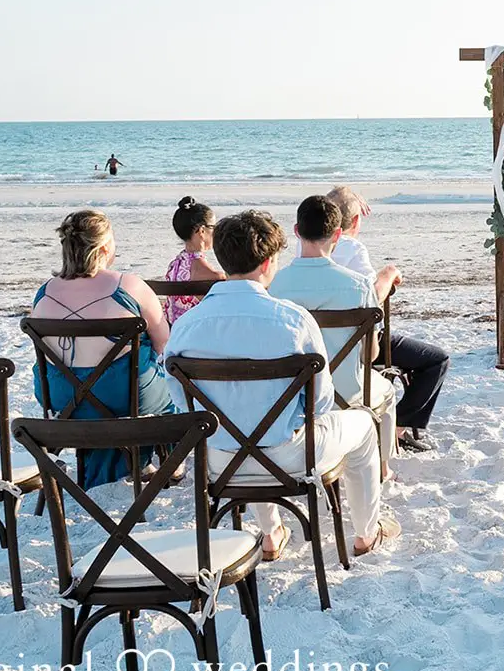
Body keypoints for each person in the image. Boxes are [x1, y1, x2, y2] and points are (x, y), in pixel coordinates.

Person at [165, 210, 398, 559]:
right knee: (363, 423)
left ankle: (271, 534)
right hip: (290, 458)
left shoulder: (187, 326)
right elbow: (319, 404)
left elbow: (183, 408)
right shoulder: (292, 320)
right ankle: (367, 534)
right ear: (268, 263)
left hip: (219, 461)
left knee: (244, 425)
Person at [30, 210, 175, 487]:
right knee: (171, 393)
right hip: (126, 397)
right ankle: (151, 461)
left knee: (99, 389)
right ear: (105, 247)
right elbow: (163, 342)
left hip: (62, 400)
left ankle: (125, 464)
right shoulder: (130, 286)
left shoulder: (45, 292)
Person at [269, 196, 399, 479]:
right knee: (387, 392)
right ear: (338, 234)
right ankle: (384, 468)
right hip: (347, 391)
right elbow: (370, 355)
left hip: (295, 395)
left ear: (296, 230)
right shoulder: (358, 286)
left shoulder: (275, 284)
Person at [323, 185, 452, 454]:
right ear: (356, 221)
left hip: (320, 350)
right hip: (360, 348)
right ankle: (398, 428)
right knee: (436, 360)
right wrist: (390, 273)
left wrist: (347, 200)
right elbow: (372, 297)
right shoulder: (353, 249)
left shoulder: (310, 253)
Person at [163, 196, 224, 326]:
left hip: (171, 334)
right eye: (214, 227)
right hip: (197, 336)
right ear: (202, 231)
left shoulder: (173, 266)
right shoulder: (213, 275)